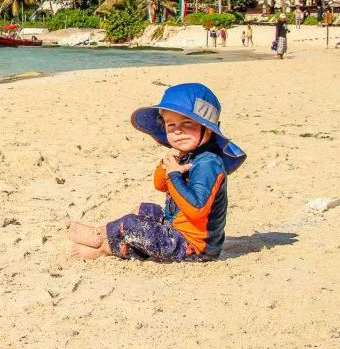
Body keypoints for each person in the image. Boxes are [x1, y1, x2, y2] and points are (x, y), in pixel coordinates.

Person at [67, 83, 246, 262]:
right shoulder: (188, 154)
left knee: (133, 225)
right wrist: (166, 164)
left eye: (187, 124)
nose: (178, 131)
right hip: (176, 227)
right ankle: (104, 233)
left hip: (194, 246)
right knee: (143, 210)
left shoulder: (209, 164)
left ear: (207, 128)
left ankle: (104, 245)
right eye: (171, 125)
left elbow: (196, 210)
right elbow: (159, 185)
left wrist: (175, 175)